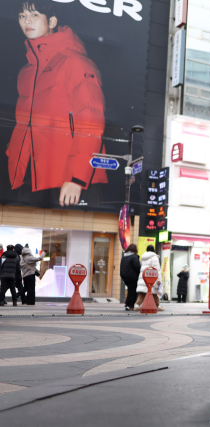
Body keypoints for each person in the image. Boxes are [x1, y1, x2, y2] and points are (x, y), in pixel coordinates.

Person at [8, 1, 107, 206]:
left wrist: (76, 178)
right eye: (22, 15)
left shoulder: (75, 62)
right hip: (30, 178)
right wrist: (13, 157)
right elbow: (22, 124)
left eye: (34, 15)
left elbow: (90, 121)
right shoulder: (26, 71)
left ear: (52, 21)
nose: (27, 20)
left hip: (67, 180)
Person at [134, 245, 164, 311]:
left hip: (144, 276)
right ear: (154, 250)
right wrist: (158, 280)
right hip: (151, 277)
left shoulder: (143, 257)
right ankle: (157, 305)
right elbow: (156, 270)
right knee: (154, 292)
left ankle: (137, 305)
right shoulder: (154, 257)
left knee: (143, 292)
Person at [119, 244, 140, 311]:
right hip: (132, 277)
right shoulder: (134, 257)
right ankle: (130, 305)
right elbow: (137, 267)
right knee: (133, 291)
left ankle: (128, 304)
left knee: (130, 290)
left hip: (124, 276)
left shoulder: (124, 256)